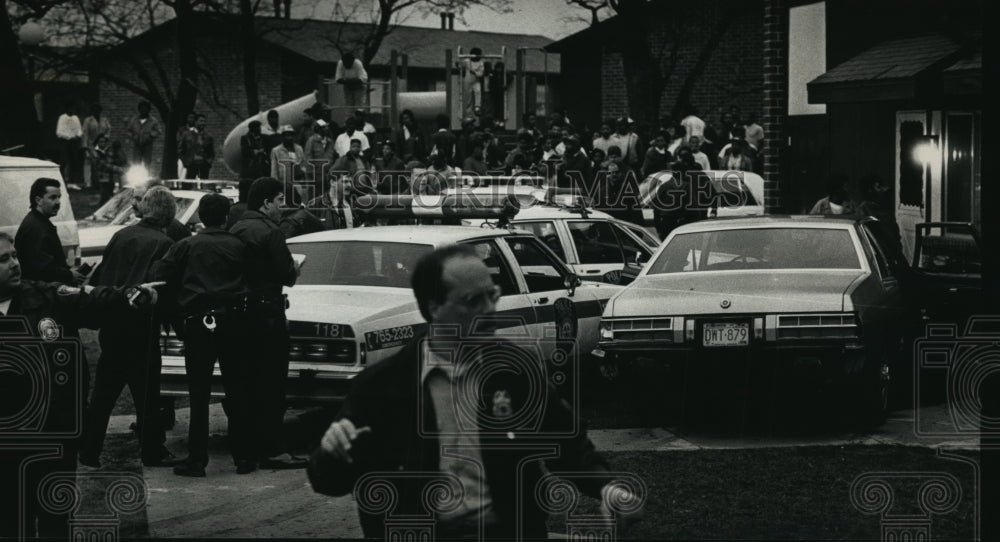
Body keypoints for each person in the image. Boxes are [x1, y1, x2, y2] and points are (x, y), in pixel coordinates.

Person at [308, 244, 643, 539]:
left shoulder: (516, 371)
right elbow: (332, 481)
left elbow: (567, 446)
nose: (489, 309)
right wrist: (331, 453)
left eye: (491, 295)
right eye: (472, 300)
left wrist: (607, 487)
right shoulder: (381, 387)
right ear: (434, 307)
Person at [0, 231, 162, 539]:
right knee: (10, 521)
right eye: (3, 259)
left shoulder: (43, 296)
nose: (14, 264)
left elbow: (88, 297)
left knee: (54, 521)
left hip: (51, 434)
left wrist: (129, 294)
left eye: (15, 256)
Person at [151, 194, 255, 476]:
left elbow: (161, 279)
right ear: (225, 217)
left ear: (201, 216)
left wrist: (176, 316)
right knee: (237, 390)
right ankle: (243, 456)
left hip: (198, 322)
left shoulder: (186, 246)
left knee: (199, 393)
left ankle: (197, 458)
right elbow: (253, 280)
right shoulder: (239, 246)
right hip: (233, 321)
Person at [79, 186, 182, 469]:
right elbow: (160, 289)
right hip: (141, 329)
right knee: (147, 396)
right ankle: (152, 450)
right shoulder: (163, 243)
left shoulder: (120, 235)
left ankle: (89, 449)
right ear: (168, 214)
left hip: (113, 325)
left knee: (103, 395)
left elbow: (103, 275)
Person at [230, 177, 307, 469]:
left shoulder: (235, 228)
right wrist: (296, 267)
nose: (281, 208)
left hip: (241, 314)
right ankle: (273, 449)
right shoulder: (271, 231)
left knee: (246, 384)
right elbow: (286, 274)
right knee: (273, 385)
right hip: (269, 314)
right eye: (278, 201)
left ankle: (246, 450)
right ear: (266, 203)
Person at [15, 177, 83, 284]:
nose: (58, 202)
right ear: (38, 200)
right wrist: (69, 275)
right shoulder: (35, 227)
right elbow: (42, 269)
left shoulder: (38, 221)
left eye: (59, 197)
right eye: (52, 198)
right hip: (40, 293)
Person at [56, 101, 84, 189]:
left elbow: (79, 130)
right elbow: (59, 132)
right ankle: (62, 181)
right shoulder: (62, 118)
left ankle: (72, 182)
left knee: (74, 162)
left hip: (74, 142)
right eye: (70, 108)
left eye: (74, 108)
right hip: (65, 142)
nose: (72, 110)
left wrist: (78, 135)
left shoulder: (76, 118)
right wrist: (68, 137)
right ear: (67, 108)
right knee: (63, 161)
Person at [82, 103, 111, 189]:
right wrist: (85, 147)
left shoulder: (104, 120)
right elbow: (85, 134)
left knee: (100, 162)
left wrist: (104, 138)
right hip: (90, 144)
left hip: (101, 144)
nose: (96, 112)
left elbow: (108, 130)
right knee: (88, 163)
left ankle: (99, 182)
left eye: (98, 110)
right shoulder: (88, 120)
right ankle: (88, 183)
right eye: (94, 110)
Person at [127, 100, 162, 170]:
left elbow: (158, 131)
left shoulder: (153, 121)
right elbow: (129, 130)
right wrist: (133, 137)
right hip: (137, 145)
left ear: (148, 110)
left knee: (147, 163)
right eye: (141, 108)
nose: (143, 110)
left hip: (147, 145)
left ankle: (146, 178)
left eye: (145, 108)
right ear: (139, 109)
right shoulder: (134, 120)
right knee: (136, 163)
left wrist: (151, 135)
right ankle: (136, 178)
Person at [180, 113, 215, 179]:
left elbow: (211, 152)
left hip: (204, 164)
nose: (203, 123)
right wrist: (186, 162)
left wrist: (208, 163)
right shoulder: (187, 134)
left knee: (204, 184)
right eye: (201, 121)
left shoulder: (209, 137)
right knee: (188, 184)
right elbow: (181, 149)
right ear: (195, 122)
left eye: (204, 121)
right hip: (191, 164)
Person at [462, 47, 486, 119]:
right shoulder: (466, 61)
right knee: (468, 97)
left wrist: (475, 72)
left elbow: (481, 73)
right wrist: (459, 65)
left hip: (476, 80)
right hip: (467, 80)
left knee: (478, 92)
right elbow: (461, 67)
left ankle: (477, 108)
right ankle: (468, 114)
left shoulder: (481, 62)